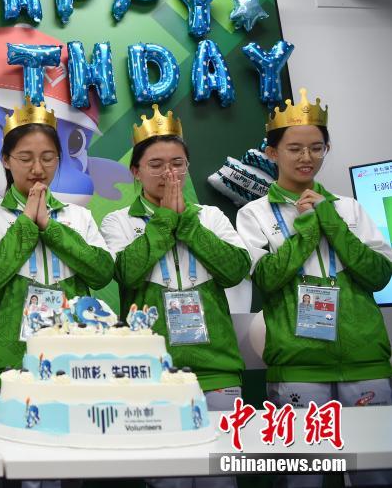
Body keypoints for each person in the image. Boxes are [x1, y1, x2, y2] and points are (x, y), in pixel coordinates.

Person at [236, 89, 392, 488]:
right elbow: (267, 279)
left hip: (365, 360)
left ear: (326, 149)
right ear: (272, 153)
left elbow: (379, 274)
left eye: (316, 148)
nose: (306, 157)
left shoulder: (348, 208)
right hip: (297, 364)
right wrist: (307, 229)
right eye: (294, 149)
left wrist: (331, 222)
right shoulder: (253, 215)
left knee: (376, 472)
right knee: (302, 477)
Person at [101, 105, 249, 488]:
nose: (169, 174)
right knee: (169, 480)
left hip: (216, 368)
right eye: (156, 165)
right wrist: (166, 219)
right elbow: (127, 273)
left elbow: (235, 270)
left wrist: (188, 224)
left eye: (178, 164)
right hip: (152, 375)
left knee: (221, 479)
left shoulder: (210, 217)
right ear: (135, 171)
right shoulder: (118, 221)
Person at [0, 98, 113, 412]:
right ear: (6, 160)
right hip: (8, 360)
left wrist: (51, 227)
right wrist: (27, 224)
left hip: (71, 359)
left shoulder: (78, 216)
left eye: (48, 158)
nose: (37, 169)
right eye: (25, 158)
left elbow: (102, 273)